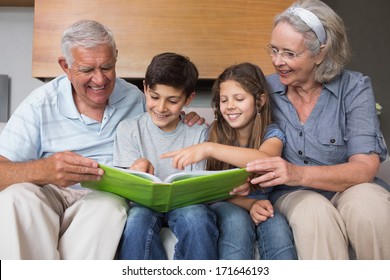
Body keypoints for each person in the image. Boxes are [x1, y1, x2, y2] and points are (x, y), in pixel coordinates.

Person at [0, 20, 204, 260]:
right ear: (66, 66)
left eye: (107, 67)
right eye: (87, 70)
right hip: (51, 192)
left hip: (102, 197)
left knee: (110, 206)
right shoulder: (40, 103)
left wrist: (185, 118)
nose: (99, 80)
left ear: (116, 57)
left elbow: (162, 117)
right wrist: (42, 169)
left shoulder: (134, 98)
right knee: (15, 198)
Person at [245, 0, 390, 259]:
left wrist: (297, 172)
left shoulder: (354, 88)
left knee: (370, 208)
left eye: (289, 53)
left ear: (321, 53)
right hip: (292, 194)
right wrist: (190, 120)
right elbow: (228, 117)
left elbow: (365, 167)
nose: (277, 61)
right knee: (313, 213)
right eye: (274, 49)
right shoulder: (263, 89)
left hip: (350, 187)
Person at [162, 62, 297, 260]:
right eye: (224, 100)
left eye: (239, 98)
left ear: (260, 101)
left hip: (263, 204)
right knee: (236, 222)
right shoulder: (212, 132)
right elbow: (208, 190)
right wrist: (247, 204)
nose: (230, 106)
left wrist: (210, 149)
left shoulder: (271, 133)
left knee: (276, 226)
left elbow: (266, 160)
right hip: (224, 202)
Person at [114, 52, 221, 260]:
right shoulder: (129, 129)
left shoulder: (198, 132)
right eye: (154, 97)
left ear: (189, 98)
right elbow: (125, 188)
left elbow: (200, 188)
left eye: (172, 101)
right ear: (145, 88)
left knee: (197, 218)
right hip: (143, 205)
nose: (161, 108)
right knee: (136, 221)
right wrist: (133, 170)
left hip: (187, 205)